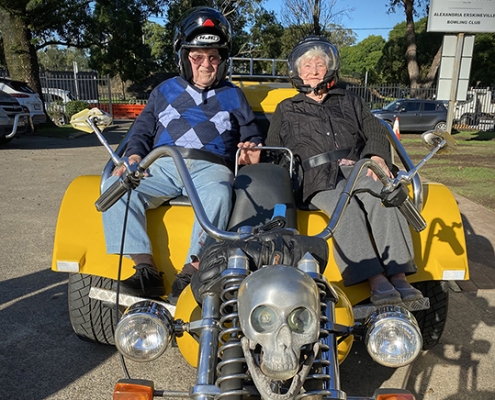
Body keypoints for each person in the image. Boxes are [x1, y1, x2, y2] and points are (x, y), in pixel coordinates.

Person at [102, 7, 263, 303]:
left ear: (222, 61)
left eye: (213, 57)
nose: (206, 65)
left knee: (219, 194)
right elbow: (141, 131)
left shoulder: (233, 95)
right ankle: (145, 270)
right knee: (114, 186)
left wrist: (250, 150)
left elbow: (251, 134)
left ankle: (193, 269)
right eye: (197, 56)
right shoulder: (164, 90)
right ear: (183, 57)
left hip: (210, 167)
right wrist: (135, 156)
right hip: (162, 163)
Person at [265, 36, 423, 305]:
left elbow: (375, 129)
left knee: (383, 195)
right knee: (344, 206)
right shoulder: (287, 109)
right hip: (315, 177)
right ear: (297, 72)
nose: (314, 70)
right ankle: (375, 279)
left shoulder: (350, 101)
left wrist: (377, 155)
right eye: (307, 66)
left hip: (359, 166)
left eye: (319, 64)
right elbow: (274, 150)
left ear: (330, 68)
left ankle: (399, 275)